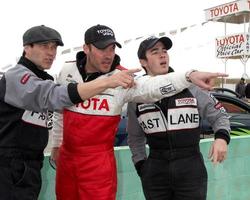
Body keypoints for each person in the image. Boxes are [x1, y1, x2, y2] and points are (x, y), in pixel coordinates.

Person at [50, 24, 228, 200]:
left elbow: (152, 86)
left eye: (112, 48)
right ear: (86, 48)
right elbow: (59, 108)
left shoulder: (126, 79)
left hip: (186, 166)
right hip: (75, 160)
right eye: (102, 48)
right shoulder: (67, 70)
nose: (108, 55)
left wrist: (189, 76)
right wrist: (143, 167)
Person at [0, 25, 151, 200]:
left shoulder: (44, 79)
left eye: (54, 47)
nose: (51, 52)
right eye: (44, 46)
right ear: (27, 47)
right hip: (10, 165)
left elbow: (56, 110)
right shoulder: (17, 76)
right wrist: (107, 83)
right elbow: (54, 96)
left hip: (34, 166)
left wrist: (185, 76)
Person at [127, 36, 231, 200]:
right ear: (143, 62)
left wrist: (222, 138)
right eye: (155, 52)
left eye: (165, 51)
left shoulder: (189, 85)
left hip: (190, 167)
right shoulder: (136, 97)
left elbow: (219, 116)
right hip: (155, 171)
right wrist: (141, 166)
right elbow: (134, 137)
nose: (163, 55)